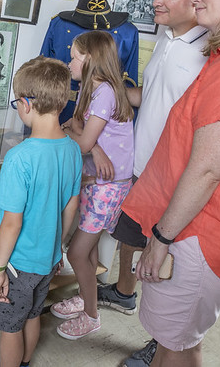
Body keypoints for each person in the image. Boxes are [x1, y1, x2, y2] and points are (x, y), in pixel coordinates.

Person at [94, 0, 220, 367]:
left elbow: (213, 162)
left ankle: (157, 343)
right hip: (160, 184)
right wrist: (104, 92)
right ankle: (133, 303)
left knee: (176, 336)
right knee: (172, 326)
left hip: (193, 215)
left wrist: (161, 238)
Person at [0, 56, 82, 367]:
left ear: (25, 104)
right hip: (48, 259)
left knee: (10, 327)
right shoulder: (73, 149)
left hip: (18, 263)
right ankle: (24, 362)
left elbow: (11, 222)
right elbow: (71, 205)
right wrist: (58, 245)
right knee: (34, 313)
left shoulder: (19, 158)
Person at [49, 31, 134, 340]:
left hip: (107, 186)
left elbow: (81, 137)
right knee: (90, 249)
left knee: (76, 253)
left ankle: (91, 315)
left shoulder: (105, 93)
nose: (69, 61)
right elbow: (82, 131)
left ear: (90, 60)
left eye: (74, 56)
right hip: (96, 179)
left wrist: (82, 140)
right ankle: (88, 297)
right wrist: (92, 145)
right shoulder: (94, 87)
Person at [40, 0, 139, 123]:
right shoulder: (58, 24)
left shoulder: (128, 32)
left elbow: (129, 80)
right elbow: (43, 70)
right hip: (60, 104)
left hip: (105, 108)